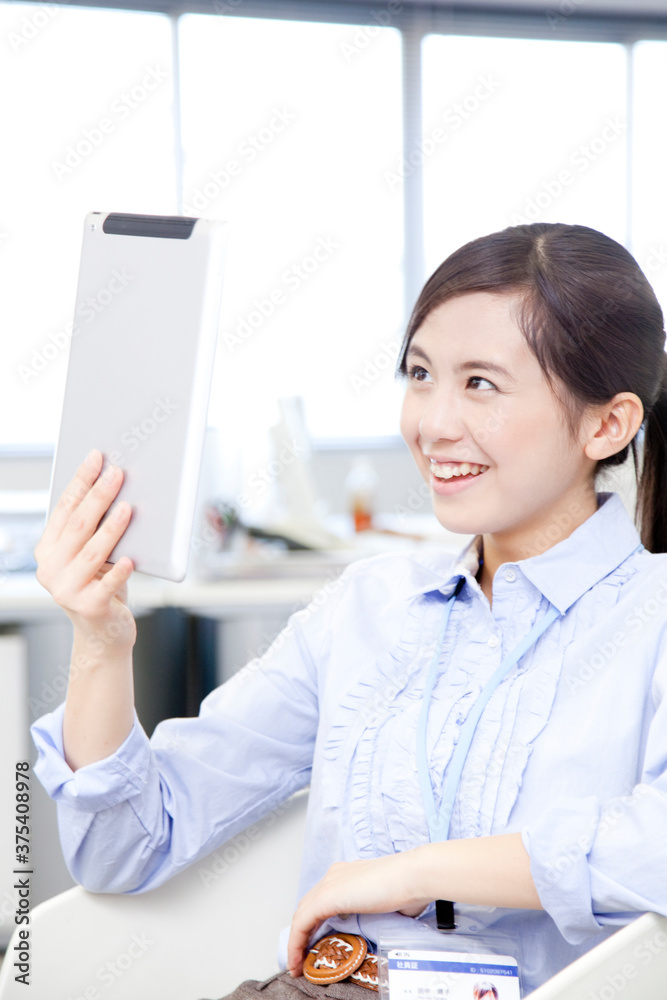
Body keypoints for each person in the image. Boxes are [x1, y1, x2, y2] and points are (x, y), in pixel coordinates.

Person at [31, 222, 667, 997]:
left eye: (480, 384)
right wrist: (100, 642)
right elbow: (127, 846)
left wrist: (414, 872)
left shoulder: (651, 615)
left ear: (607, 424)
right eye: (420, 374)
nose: (431, 423)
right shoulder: (366, 609)